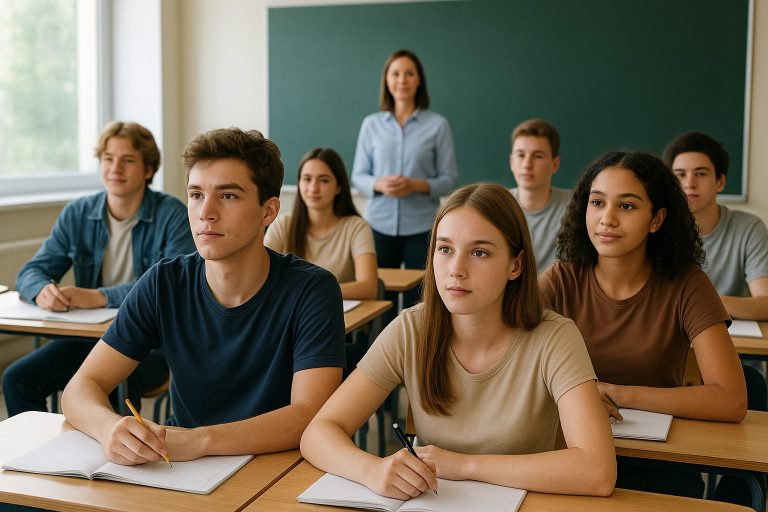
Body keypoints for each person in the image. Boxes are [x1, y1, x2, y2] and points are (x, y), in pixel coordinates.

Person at [301, 183, 616, 499]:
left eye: (479, 252)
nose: (456, 270)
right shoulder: (411, 330)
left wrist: (464, 465)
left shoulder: (555, 338)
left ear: (515, 265)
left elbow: (597, 471)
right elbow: (318, 433)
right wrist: (372, 470)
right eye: (445, 249)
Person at [61, 128, 346, 464]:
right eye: (196, 194)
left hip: (274, 467)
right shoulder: (163, 283)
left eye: (227, 196)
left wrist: (201, 440)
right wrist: (110, 427)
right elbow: (81, 387)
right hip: (177, 465)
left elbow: (309, 414)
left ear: (268, 212)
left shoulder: (312, 290)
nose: (205, 212)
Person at [539, 151, 747, 499]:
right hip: (570, 451)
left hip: (659, 463)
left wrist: (616, 394)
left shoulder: (687, 283)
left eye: (627, 206)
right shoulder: (562, 279)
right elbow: (509, 363)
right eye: (597, 202)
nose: (607, 219)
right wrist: (583, 399)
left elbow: (731, 400)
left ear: (657, 219)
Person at [4, 121, 193, 417]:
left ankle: (110, 461)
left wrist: (100, 296)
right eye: (108, 159)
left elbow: (173, 284)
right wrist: (41, 290)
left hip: (150, 348)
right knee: (17, 379)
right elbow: (33, 271)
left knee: (104, 389)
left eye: (127, 160)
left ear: (147, 169)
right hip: (86, 341)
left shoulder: (172, 215)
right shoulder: (78, 212)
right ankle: (44, 459)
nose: (115, 168)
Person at [663, 131, 768, 505]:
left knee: (750, 385)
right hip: (667, 353)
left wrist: (702, 304)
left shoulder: (747, 228)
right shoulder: (654, 230)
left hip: (719, 351)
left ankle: (736, 494)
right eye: (679, 174)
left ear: (721, 181)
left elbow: (766, 302)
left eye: (701, 173)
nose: (689, 183)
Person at [351, 48, 458, 316]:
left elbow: (450, 179)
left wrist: (417, 186)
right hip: (379, 226)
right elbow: (358, 176)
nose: (402, 80)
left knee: (419, 304)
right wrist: (379, 184)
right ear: (387, 80)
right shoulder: (371, 124)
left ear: (419, 80)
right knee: (378, 303)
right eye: (395, 73)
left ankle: (414, 354)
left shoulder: (437, 125)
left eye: (409, 73)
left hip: (421, 227)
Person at [265, 147, 377, 300]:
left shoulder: (356, 227)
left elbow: (368, 288)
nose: (313, 188)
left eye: (324, 180)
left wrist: (309, 293)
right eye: (307, 179)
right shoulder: (283, 224)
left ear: (338, 187)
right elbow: (261, 279)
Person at [508, 119, 570, 273]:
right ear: (511, 162)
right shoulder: (496, 205)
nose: (527, 164)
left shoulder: (574, 207)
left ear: (555, 164)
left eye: (538, 156)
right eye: (521, 155)